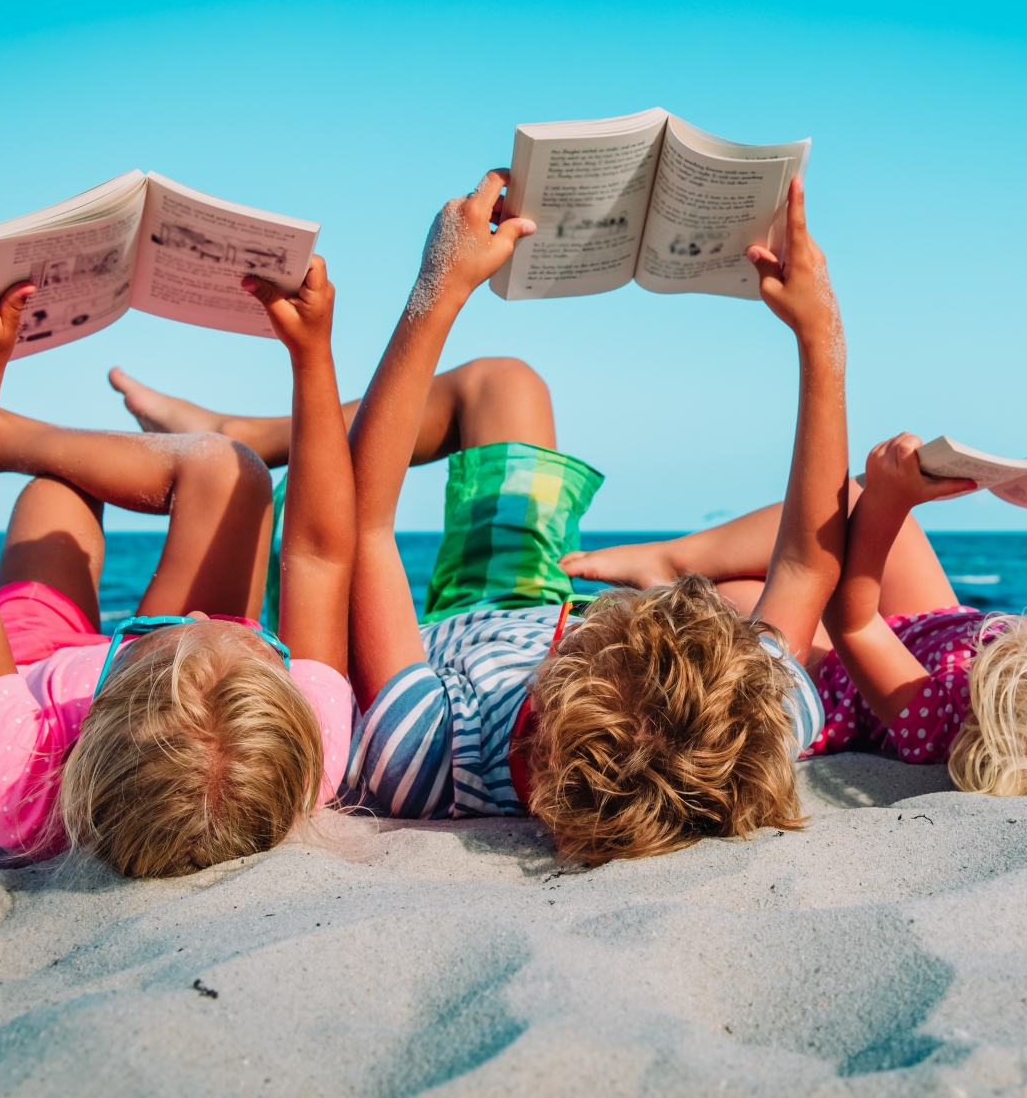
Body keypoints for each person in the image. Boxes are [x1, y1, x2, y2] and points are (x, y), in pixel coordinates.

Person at [332, 168, 845, 864]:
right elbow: (806, 559)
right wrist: (820, 335)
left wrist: (439, 289)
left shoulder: (425, 749)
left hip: (467, 610)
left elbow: (360, 520)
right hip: (532, 606)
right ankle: (269, 431)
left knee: (323, 482)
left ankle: (272, 436)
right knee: (512, 392)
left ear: (557, 675)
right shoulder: (752, 728)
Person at [0, 252, 356, 877]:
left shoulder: (20, 781)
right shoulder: (301, 750)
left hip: (35, 662)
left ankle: (0, 438)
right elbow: (319, 556)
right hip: (169, 702)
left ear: (94, 717)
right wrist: (312, 355)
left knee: (57, 495)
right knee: (232, 469)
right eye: (252, 640)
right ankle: (9, 440)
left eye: (155, 630)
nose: (197, 615)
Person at [563, 434, 1027, 807]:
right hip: (932, 624)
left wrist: (887, 503)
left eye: (1023, 644)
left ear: (980, 700)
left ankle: (668, 575)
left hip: (845, 679)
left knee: (741, 603)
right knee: (846, 510)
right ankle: (669, 557)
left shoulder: (936, 715)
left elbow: (856, 625)